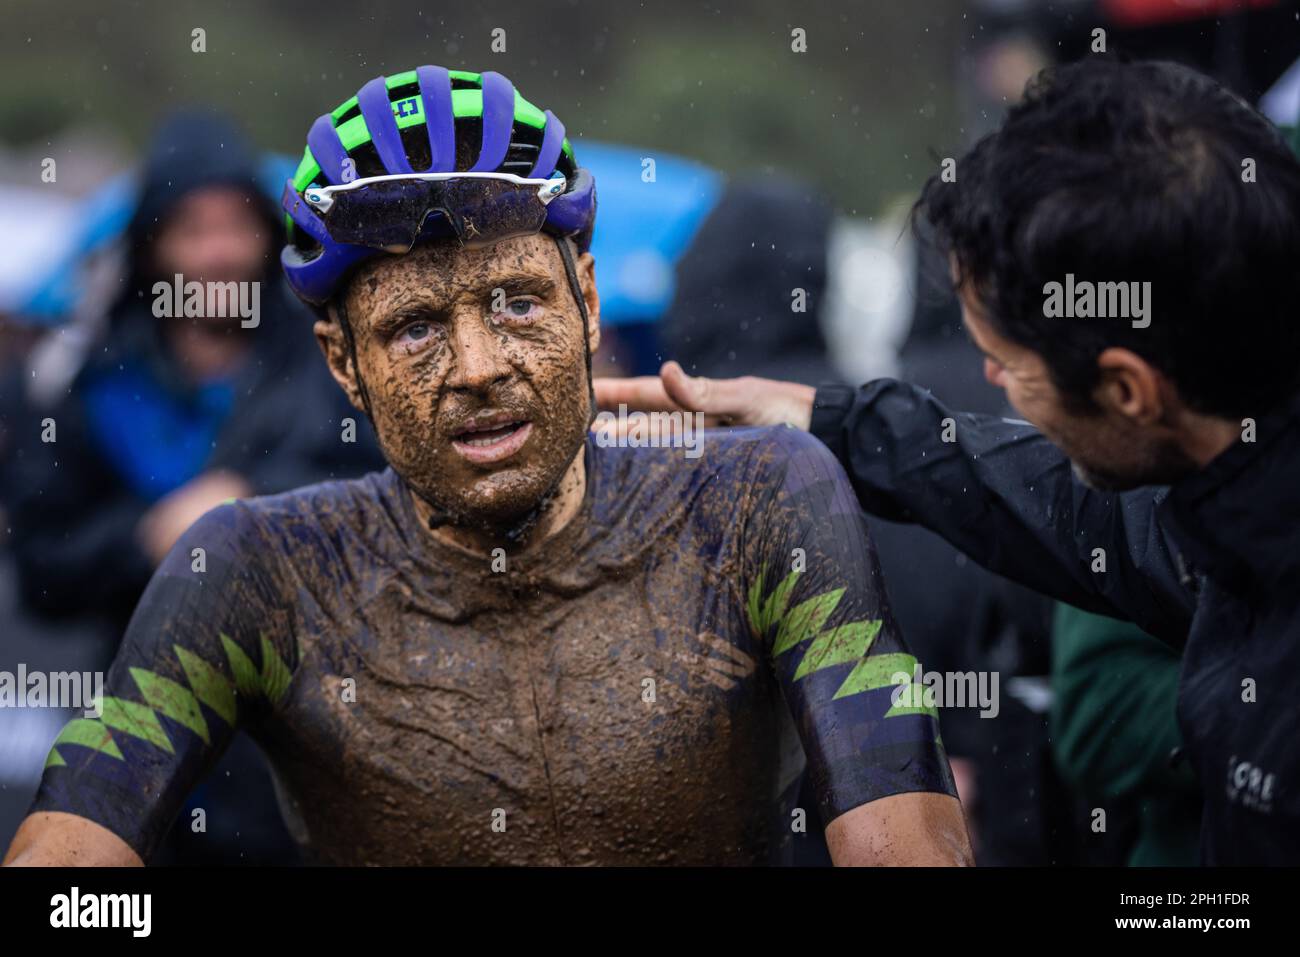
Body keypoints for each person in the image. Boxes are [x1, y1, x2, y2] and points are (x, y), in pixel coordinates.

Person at [3, 66, 972, 866]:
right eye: (415, 328)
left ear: (586, 304)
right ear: (344, 361)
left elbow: (902, 849)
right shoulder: (257, 573)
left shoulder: (758, 501)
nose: (478, 369)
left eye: (516, 301)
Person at [594, 57, 1300, 864]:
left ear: (1128, 390)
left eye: (1007, 364)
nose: (991, 381)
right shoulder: (1230, 490)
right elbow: (1062, 508)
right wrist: (821, 418)